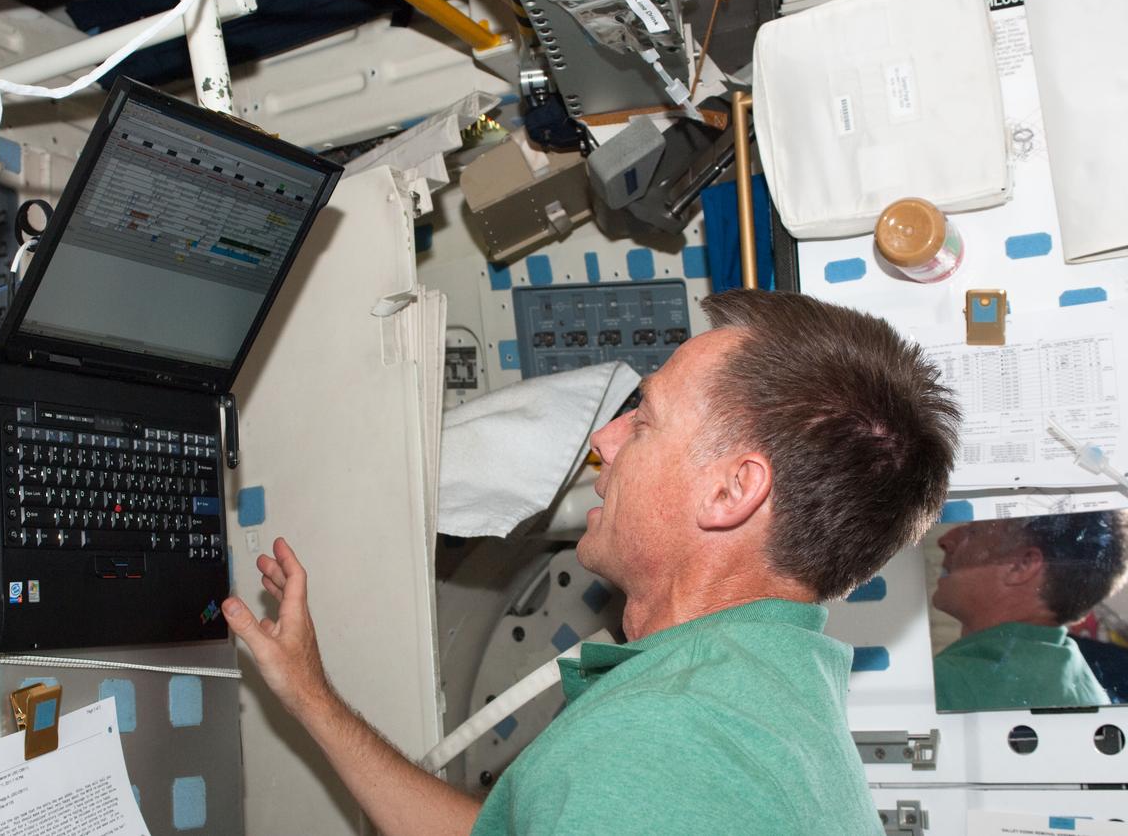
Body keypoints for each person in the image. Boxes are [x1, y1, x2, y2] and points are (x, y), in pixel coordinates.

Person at [222, 288, 961, 835]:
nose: (605, 438)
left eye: (646, 418)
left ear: (731, 490)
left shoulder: (658, 746)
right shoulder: (759, 709)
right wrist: (310, 693)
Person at [933, 511, 1128, 711]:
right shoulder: (1086, 688)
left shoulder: (945, 685)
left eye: (972, 532)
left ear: (1022, 565)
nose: (945, 540)